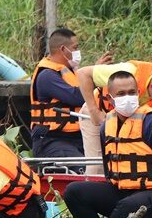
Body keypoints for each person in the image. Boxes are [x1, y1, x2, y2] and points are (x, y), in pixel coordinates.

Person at [63, 71, 152, 218]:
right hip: (122, 192)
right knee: (74, 191)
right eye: (121, 94)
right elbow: (109, 170)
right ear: (111, 99)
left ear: (138, 93)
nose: (127, 97)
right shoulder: (107, 126)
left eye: (131, 92)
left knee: (128, 205)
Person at [29, 28, 99, 164]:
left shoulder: (72, 72)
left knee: (101, 164)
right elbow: (78, 97)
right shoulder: (47, 76)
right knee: (83, 166)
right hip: (52, 139)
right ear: (63, 49)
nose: (78, 52)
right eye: (75, 48)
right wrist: (96, 75)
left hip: (77, 137)